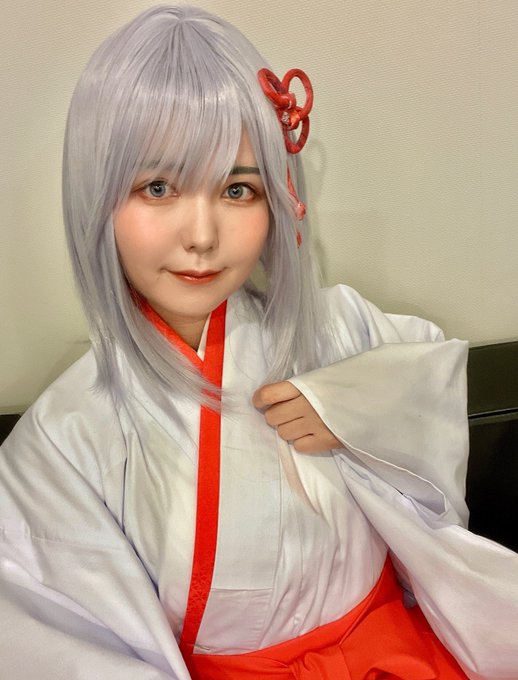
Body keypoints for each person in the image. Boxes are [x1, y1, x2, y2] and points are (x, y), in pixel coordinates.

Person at [1, 5, 518, 679]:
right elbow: (57, 633)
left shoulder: (336, 330)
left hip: (394, 650)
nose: (202, 236)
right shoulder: (66, 433)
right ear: (95, 198)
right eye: (157, 187)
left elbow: (431, 382)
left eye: (238, 189)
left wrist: (353, 411)